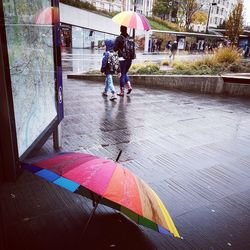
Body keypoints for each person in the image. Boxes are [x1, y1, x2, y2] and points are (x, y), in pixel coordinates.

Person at [114, 25, 133, 97]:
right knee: (125, 73)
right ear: (126, 29)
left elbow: (115, 48)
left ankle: (122, 92)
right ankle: (129, 86)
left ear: (120, 30)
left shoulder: (119, 38)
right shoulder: (130, 38)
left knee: (122, 74)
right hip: (130, 59)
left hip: (122, 59)